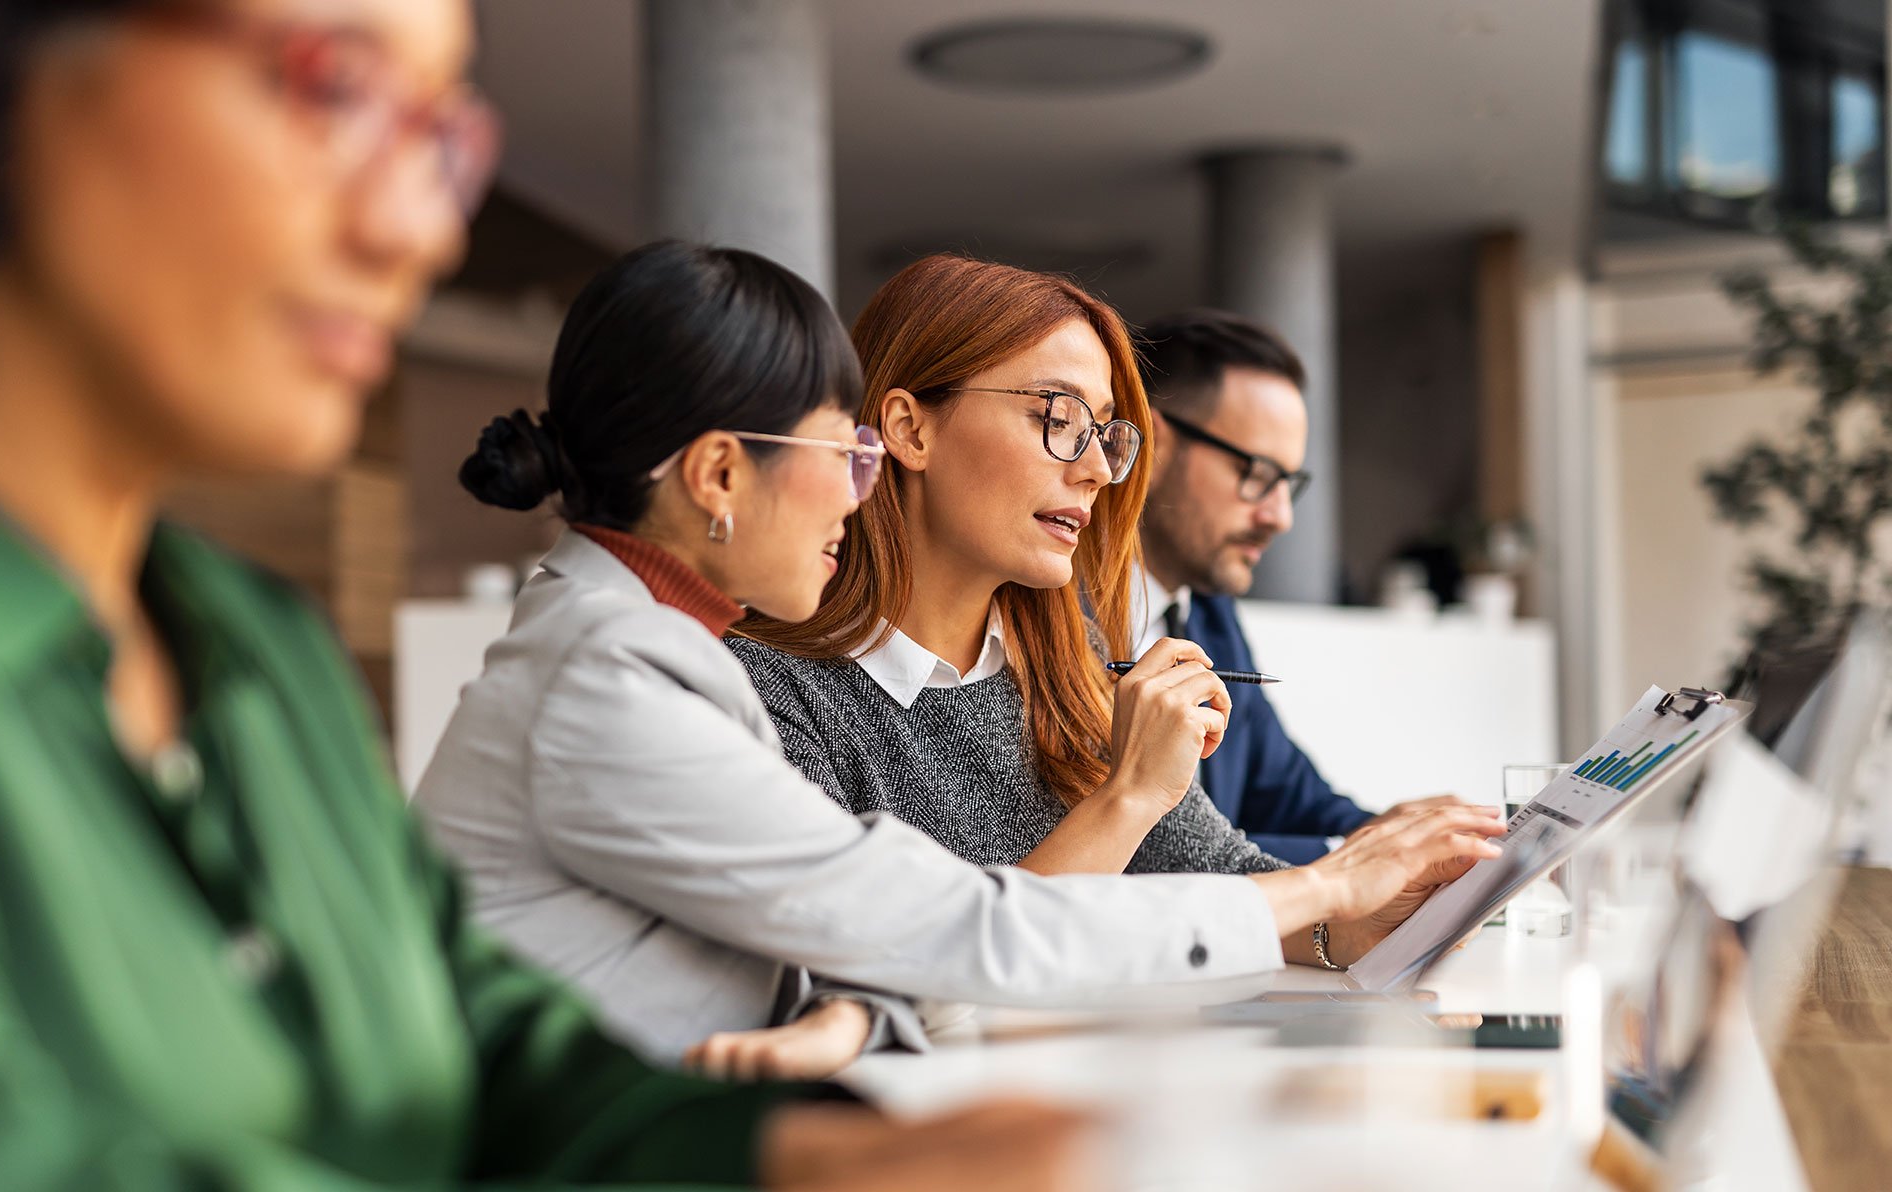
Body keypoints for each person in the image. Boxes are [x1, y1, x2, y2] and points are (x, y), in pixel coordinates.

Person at [0, 1, 1099, 1188]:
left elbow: (487, 1048)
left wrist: (802, 1154)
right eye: (334, 86)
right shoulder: (605, 666)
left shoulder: (268, 652)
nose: (422, 228)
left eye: (440, 136)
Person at [413, 240, 1504, 1083]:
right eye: (837, 450)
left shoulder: (645, 646)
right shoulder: (625, 677)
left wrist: (1348, 916)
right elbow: (937, 936)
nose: (855, 483)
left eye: (1105, 433)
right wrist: (1315, 879)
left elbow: (866, 952)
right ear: (717, 475)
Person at [725, 254, 1503, 977]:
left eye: (1103, 434)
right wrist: (1130, 797)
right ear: (909, 428)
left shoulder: (1069, 657)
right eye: (1059, 418)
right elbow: (901, 978)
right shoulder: (762, 691)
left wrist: (1364, 922)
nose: (1098, 469)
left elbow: (1222, 880)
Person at [1132, 310, 1455, 863]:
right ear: (1156, 445)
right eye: (1258, 474)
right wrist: (1364, 855)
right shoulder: (1051, 615)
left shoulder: (1209, 614)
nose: (1280, 517)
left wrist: (1407, 836)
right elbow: (1145, 856)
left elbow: (1289, 799)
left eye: (1288, 483)